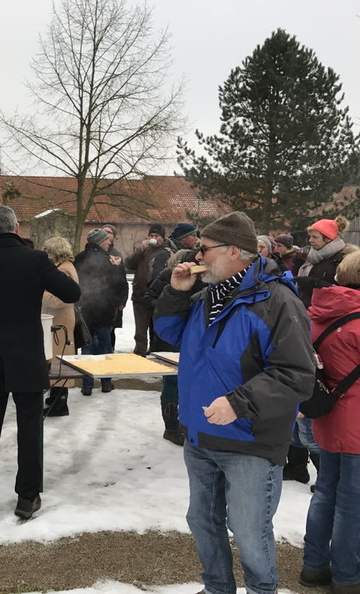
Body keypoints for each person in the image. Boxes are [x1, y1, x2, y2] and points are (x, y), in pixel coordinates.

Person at [154, 211, 315, 594]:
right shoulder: (208, 294)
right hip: (200, 434)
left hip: (249, 439)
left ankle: (262, 590)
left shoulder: (277, 302)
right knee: (203, 521)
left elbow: (297, 374)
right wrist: (175, 293)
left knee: (247, 529)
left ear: (233, 252)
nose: (197, 255)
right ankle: (217, 588)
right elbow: (168, 331)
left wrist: (239, 402)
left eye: (205, 249)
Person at [0, 206, 80, 520]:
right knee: (29, 428)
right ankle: (27, 497)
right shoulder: (35, 259)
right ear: (16, 227)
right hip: (28, 354)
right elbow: (72, 291)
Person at [301, 250, 360, 592]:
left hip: (329, 417)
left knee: (325, 493)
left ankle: (313, 565)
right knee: (353, 503)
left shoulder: (320, 314)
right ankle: (348, 576)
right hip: (356, 425)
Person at [143, 249, 205, 446]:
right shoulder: (167, 275)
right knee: (171, 381)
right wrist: (170, 304)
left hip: (193, 335)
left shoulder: (207, 278)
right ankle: (171, 427)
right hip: (168, 336)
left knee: (190, 381)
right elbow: (148, 298)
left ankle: (189, 424)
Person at [74, 227, 128, 395]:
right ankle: (106, 383)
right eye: (106, 239)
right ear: (99, 241)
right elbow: (119, 283)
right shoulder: (111, 259)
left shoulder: (79, 258)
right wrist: (119, 301)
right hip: (105, 309)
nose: (109, 242)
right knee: (105, 346)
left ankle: (87, 385)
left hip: (85, 310)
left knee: (87, 347)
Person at [41, 236, 79, 416]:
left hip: (60, 320)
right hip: (59, 320)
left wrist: (40, 294)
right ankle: (55, 398)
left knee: (59, 361)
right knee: (57, 358)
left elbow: (62, 299)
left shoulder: (64, 270)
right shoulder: (64, 267)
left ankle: (59, 402)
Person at [124, 223, 169, 356]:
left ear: (162, 237)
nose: (154, 238)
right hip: (140, 295)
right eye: (151, 235)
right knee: (140, 330)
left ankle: (156, 353)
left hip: (157, 297)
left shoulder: (167, 251)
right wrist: (140, 250)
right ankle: (140, 353)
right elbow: (129, 264)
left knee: (156, 328)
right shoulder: (144, 251)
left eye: (157, 236)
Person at [295, 216, 350, 308]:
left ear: (328, 239)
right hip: (307, 309)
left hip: (330, 311)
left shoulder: (345, 259)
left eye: (315, 237)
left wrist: (316, 283)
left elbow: (347, 292)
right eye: (310, 237)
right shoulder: (309, 257)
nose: (310, 240)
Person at [101, 224, 126, 349]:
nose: (106, 233)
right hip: (98, 298)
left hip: (113, 299)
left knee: (110, 331)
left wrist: (122, 300)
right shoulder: (97, 253)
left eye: (109, 232)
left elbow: (123, 279)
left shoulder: (117, 255)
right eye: (103, 231)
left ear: (114, 236)